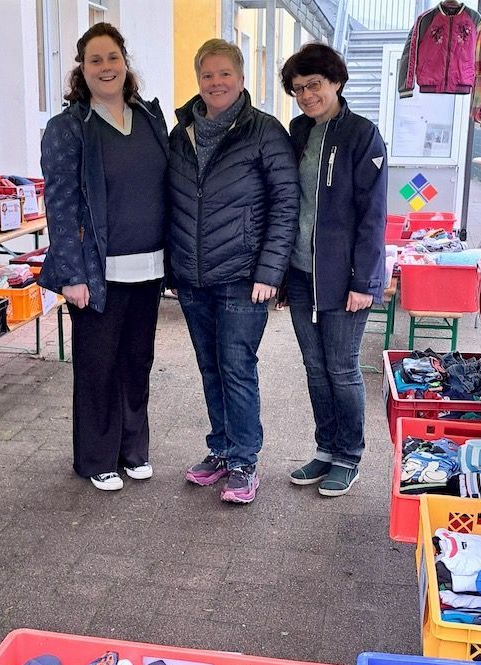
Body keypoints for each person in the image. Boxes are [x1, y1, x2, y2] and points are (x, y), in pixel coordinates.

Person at [38, 23, 169, 492]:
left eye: (112, 57)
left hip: (149, 268)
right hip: (96, 275)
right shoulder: (68, 128)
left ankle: (133, 450)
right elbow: (60, 206)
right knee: (98, 368)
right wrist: (71, 275)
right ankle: (96, 458)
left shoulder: (150, 118)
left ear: (125, 62)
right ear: (82, 68)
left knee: (137, 361)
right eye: (95, 60)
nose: (106, 67)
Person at [168, 39, 299, 504]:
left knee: (236, 367)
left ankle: (244, 461)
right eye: (207, 75)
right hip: (193, 276)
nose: (216, 82)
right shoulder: (181, 131)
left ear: (241, 79)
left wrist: (270, 271)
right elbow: (172, 200)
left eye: (225, 73)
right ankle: (221, 450)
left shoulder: (264, 131)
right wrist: (173, 268)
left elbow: (286, 204)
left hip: (244, 277)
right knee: (210, 367)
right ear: (198, 80)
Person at [279, 42, 387, 497]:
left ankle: (349, 456)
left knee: (341, 369)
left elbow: (373, 215)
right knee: (314, 367)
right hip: (301, 273)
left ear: (336, 82)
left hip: (345, 279)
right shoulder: (298, 131)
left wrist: (364, 281)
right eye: (298, 89)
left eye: (314, 85)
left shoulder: (363, 134)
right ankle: (325, 449)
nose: (306, 96)